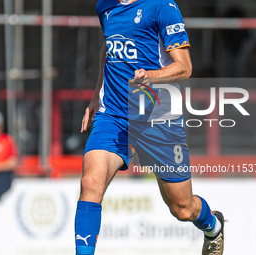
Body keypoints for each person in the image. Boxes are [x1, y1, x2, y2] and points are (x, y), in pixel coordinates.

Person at [75, 1, 224, 255]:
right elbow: (109, 48)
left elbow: (185, 67)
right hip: (114, 114)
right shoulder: (104, 6)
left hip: (157, 117)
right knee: (90, 182)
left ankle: (213, 227)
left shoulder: (162, 7)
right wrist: (97, 94)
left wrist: (151, 76)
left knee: (182, 208)